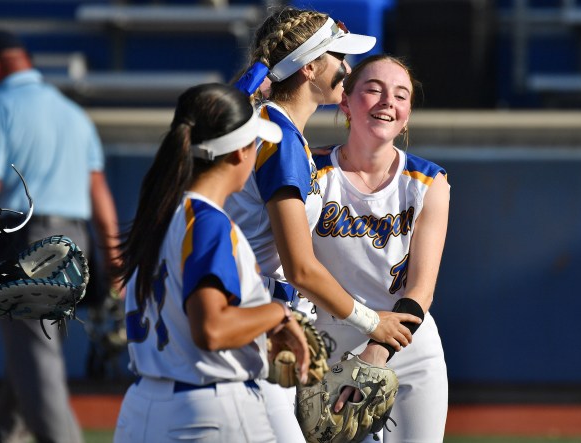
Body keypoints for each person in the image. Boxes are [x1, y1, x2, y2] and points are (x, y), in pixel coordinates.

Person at [225, 7, 421, 441]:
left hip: (246, 317)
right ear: (309, 67)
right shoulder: (278, 139)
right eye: (338, 58)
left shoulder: (263, 125)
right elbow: (300, 268)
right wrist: (374, 323)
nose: (347, 70)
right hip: (249, 323)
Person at [112, 83, 310, 443]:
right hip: (206, 411)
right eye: (255, 143)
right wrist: (280, 315)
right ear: (239, 154)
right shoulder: (207, 221)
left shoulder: (159, 214)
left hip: (142, 409)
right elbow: (212, 329)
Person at [312, 54, 450, 442]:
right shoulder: (311, 172)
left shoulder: (427, 181)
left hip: (405, 346)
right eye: (373, 89)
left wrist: (376, 351)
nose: (388, 101)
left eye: (401, 95)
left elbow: (421, 291)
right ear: (345, 102)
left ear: (407, 114)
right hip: (328, 344)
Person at [0, 30, 122, 443]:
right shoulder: (72, 113)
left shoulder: (2, 106)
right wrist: (113, 259)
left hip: (31, 236)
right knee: (31, 353)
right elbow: (99, 193)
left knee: (36, 356)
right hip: (75, 241)